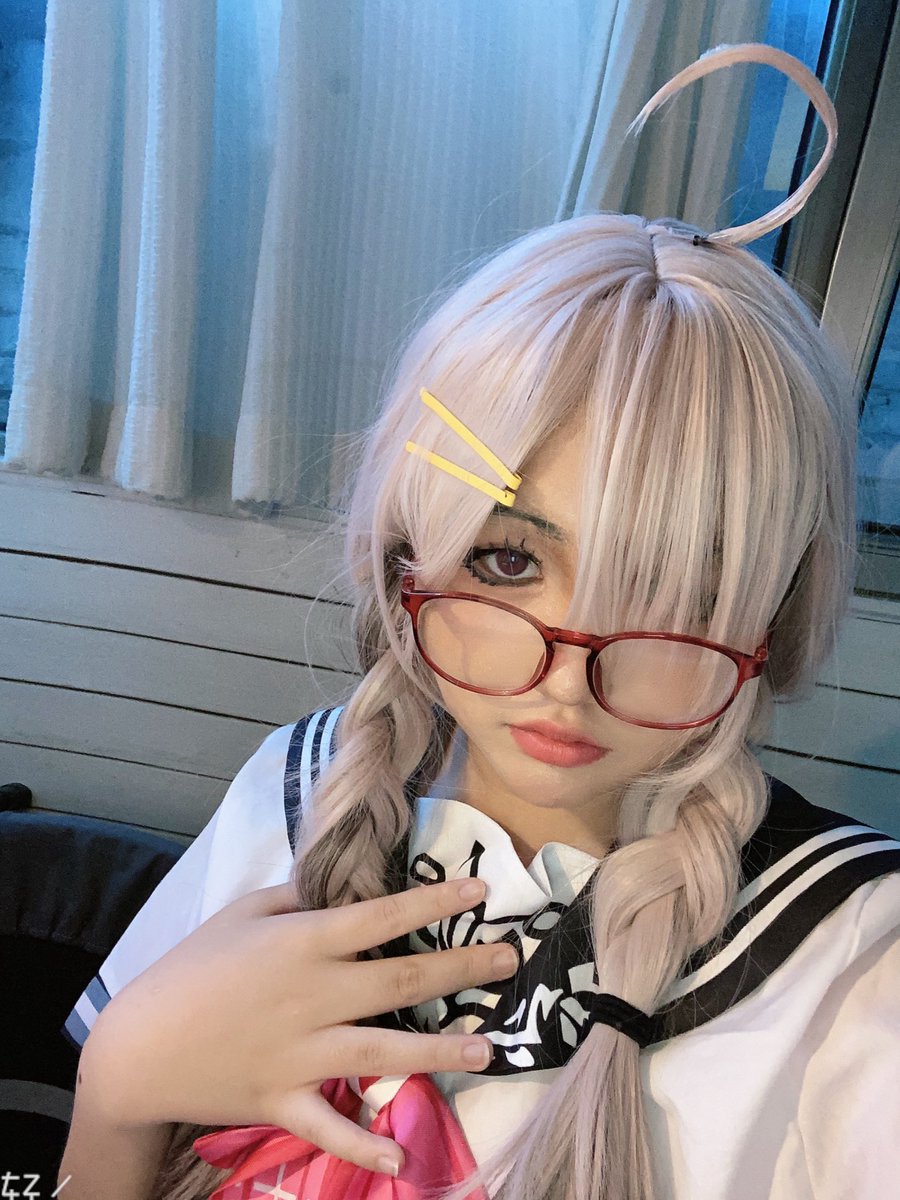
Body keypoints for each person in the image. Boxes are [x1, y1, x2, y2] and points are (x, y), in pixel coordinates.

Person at [57, 41, 900, 1200]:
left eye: (676, 593)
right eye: (509, 562)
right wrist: (116, 1092)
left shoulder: (857, 952)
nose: (567, 678)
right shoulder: (294, 793)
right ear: (408, 554)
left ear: (773, 618)